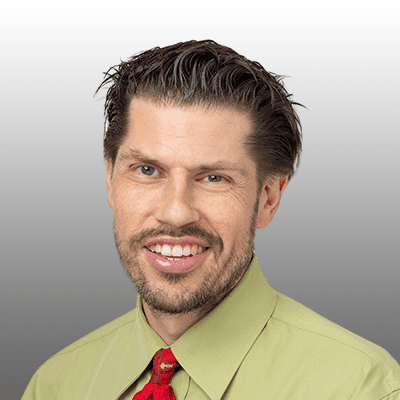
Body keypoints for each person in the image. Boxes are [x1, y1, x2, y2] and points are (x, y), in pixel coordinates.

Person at [22, 40, 400, 400]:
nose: (175, 212)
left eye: (214, 178)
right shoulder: (56, 384)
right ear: (110, 180)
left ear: (268, 198)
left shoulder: (359, 386)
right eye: (147, 170)